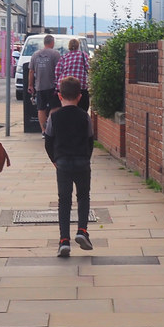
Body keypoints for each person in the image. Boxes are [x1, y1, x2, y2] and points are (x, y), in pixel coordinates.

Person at [44, 76, 95, 258]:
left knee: (64, 201)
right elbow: (90, 140)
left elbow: (48, 141)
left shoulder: (54, 117)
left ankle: (64, 241)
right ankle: (82, 230)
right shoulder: (84, 117)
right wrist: (86, 157)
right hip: (82, 161)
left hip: (63, 162)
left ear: (59, 96)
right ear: (80, 97)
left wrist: (54, 159)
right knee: (83, 196)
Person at [27, 33, 61, 132]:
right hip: (52, 86)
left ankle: (43, 130)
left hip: (39, 86)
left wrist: (30, 85)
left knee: (41, 108)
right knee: (55, 107)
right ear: (52, 43)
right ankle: (49, 125)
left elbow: (31, 71)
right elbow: (59, 69)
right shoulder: (55, 54)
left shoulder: (35, 54)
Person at [53, 38, 91, 112]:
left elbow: (57, 72)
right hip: (80, 86)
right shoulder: (84, 56)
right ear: (78, 46)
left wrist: (56, 84)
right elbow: (89, 69)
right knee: (82, 109)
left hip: (65, 86)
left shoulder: (64, 57)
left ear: (69, 47)